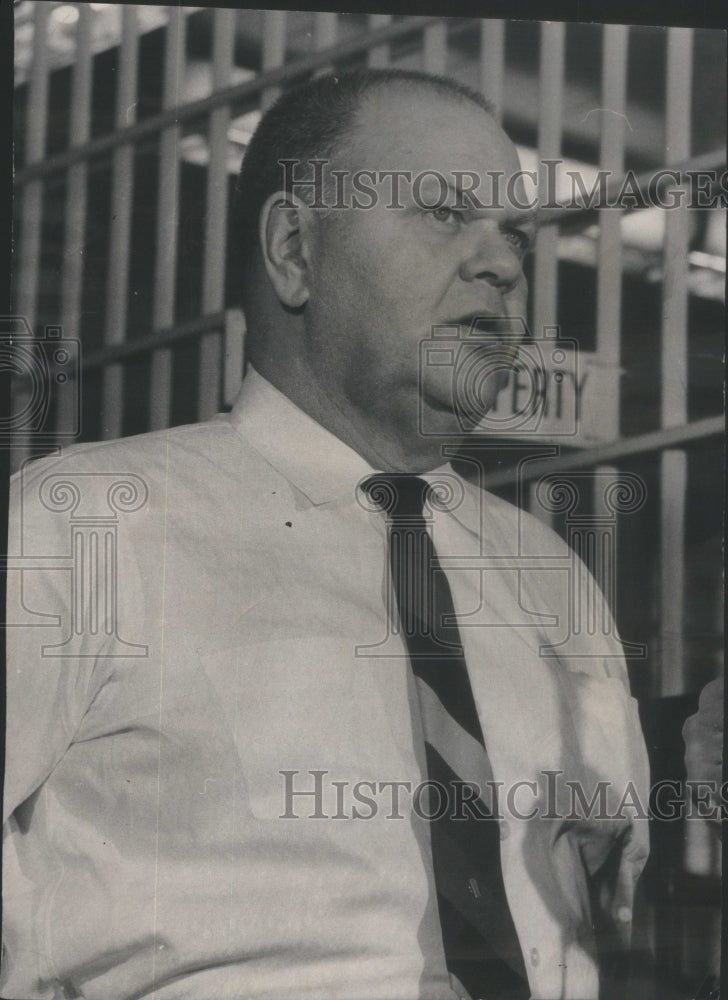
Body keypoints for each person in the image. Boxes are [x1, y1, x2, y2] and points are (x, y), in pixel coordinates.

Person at [3, 70, 650, 1000]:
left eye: (514, 232)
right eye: (442, 213)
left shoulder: (553, 580)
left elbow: (607, 913)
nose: (504, 264)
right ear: (295, 249)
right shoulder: (88, 524)